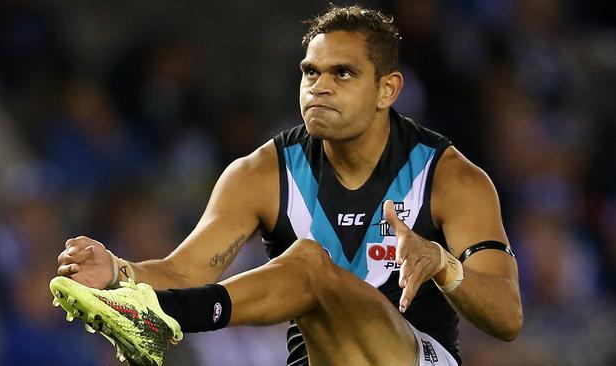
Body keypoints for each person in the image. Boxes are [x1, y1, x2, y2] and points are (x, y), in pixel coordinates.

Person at [51, 5, 522, 366]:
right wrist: (117, 271)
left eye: (343, 73)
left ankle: (162, 318)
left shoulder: (449, 177)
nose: (319, 86)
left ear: (387, 90)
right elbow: (186, 271)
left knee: (308, 262)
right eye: (310, 72)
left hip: (417, 357)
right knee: (308, 263)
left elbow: (507, 317)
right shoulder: (260, 174)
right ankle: (156, 314)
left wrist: (444, 265)